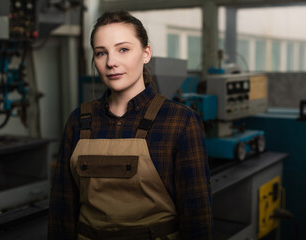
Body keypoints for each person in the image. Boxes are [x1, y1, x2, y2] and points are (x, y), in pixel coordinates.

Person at [48, 11, 213, 240]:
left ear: (146, 54)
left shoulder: (179, 121)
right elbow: (61, 209)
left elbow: (197, 217)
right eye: (101, 53)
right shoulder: (79, 120)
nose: (111, 62)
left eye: (123, 49)